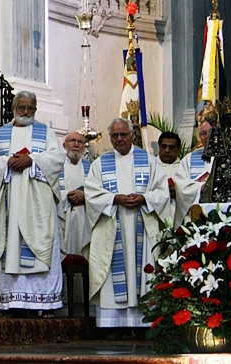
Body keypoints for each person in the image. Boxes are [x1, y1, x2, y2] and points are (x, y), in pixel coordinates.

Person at [0, 91, 65, 317]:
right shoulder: (2, 134)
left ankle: (44, 303)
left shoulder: (45, 133)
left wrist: (33, 160)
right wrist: (7, 162)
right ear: (13, 109)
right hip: (9, 204)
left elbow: (57, 159)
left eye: (30, 108)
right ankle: (13, 303)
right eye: (22, 108)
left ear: (35, 110)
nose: (26, 112)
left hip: (39, 206)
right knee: (11, 247)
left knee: (41, 248)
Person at [85, 117, 168, 332]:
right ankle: (113, 325)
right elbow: (91, 194)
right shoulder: (99, 164)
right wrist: (114, 199)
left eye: (123, 134)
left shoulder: (149, 160)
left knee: (144, 271)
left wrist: (144, 199)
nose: (119, 139)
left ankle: (143, 323)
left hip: (142, 222)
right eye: (115, 135)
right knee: (112, 274)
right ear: (110, 138)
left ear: (132, 135)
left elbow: (162, 192)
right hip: (112, 226)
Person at [170, 121, 213, 225]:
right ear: (199, 137)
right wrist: (201, 187)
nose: (207, 136)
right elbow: (181, 187)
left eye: (211, 132)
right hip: (194, 215)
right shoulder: (189, 159)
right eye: (203, 133)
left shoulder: (227, 157)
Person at [58, 131, 91, 256]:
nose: (76, 144)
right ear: (64, 145)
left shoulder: (92, 167)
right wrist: (68, 196)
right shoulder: (56, 166)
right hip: (63, 217)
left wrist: (85, 196)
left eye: (80, 142)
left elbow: (99, 192)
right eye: (72, 141)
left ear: (84, 146)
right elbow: (50, 191)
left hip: (85, 218)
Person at [155, 131, 182, 224]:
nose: (167, 150)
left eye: (172, 147)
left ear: (178, 149)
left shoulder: (184, 167)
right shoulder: (151, 166)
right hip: (155, 214)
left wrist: (178, 191)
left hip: (178, 213)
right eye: (163, 146)